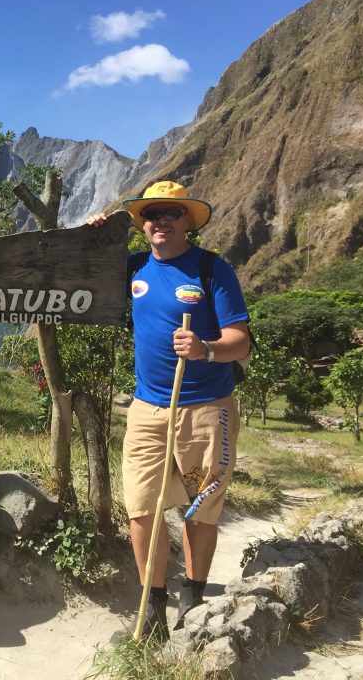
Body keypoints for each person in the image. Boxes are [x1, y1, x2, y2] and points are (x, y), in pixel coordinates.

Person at [87, 180, 250, 639]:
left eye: (171, 213)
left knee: (199, 509)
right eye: (151, 213)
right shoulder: (132, 267)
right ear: (141, 224)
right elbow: (80, 271)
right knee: (142, 507)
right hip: (146, 408)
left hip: (205, 408)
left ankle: (194, 601)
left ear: (187, 223)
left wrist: (206, 349)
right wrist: (93, 235)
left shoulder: (211, 269)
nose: (160, 220)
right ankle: (153, 607)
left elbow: (240, 340)